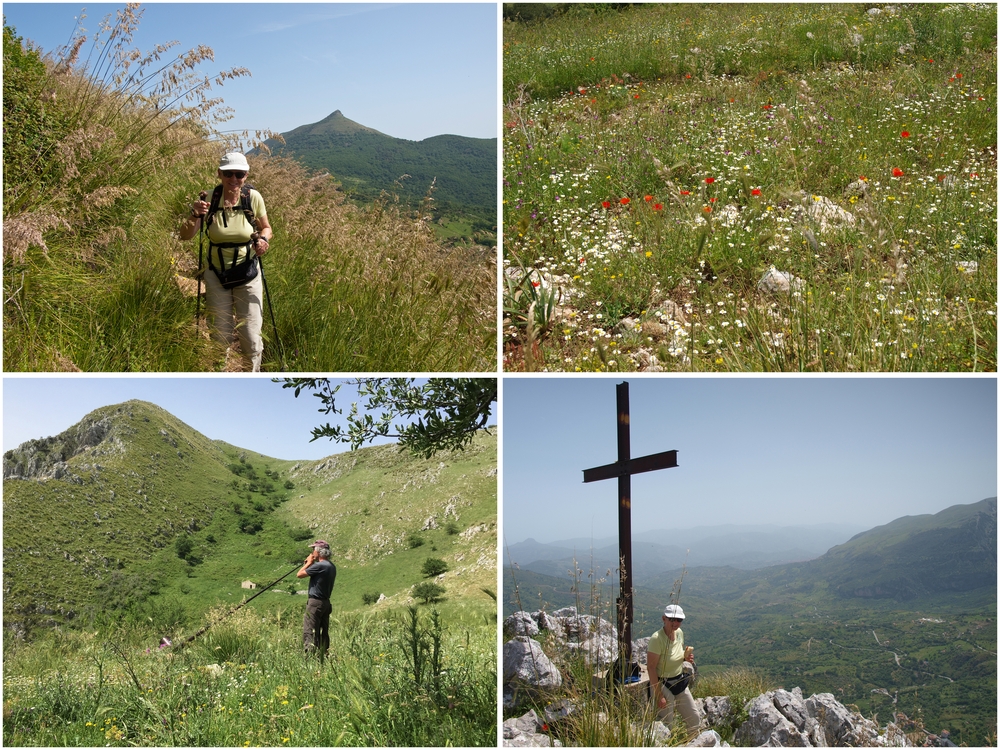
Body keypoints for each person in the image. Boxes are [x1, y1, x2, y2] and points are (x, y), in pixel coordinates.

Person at [179, 152, 273, 372]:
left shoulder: (253, 198)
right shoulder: (207, 199)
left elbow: (266, 227)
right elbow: (185, 235)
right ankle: (220, 372)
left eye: (239, 174)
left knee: (250, 336)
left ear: (246, 175)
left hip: (248, 272)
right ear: (219, 173)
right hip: (216, 273)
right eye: (228, 173)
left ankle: (251, 374)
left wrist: (264, 240)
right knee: (219, 335)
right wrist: (194, 214)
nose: (234, 179)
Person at [647, 604, 701, 735]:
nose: (675, 623)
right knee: (667, 724)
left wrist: (685, 658)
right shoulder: (657, 639)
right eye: (672, 619)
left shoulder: (679, 633)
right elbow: (651, 668)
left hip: (679, 680)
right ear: (664, 619)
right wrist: (659, 695)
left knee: (694, 719)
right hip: (663, 683)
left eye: (679, 620)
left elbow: (676, 656)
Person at [297, 540, 336, 661]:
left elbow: (299, 574)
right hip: (325, 603)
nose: (312, 552)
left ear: (318, 552)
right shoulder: (331, 566)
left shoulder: (320, 566)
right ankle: (323, 656)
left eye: (313, 549)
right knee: (323, 631)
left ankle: (309, 658)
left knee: (310, 630)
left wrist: (308, 563)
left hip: (315, 603)